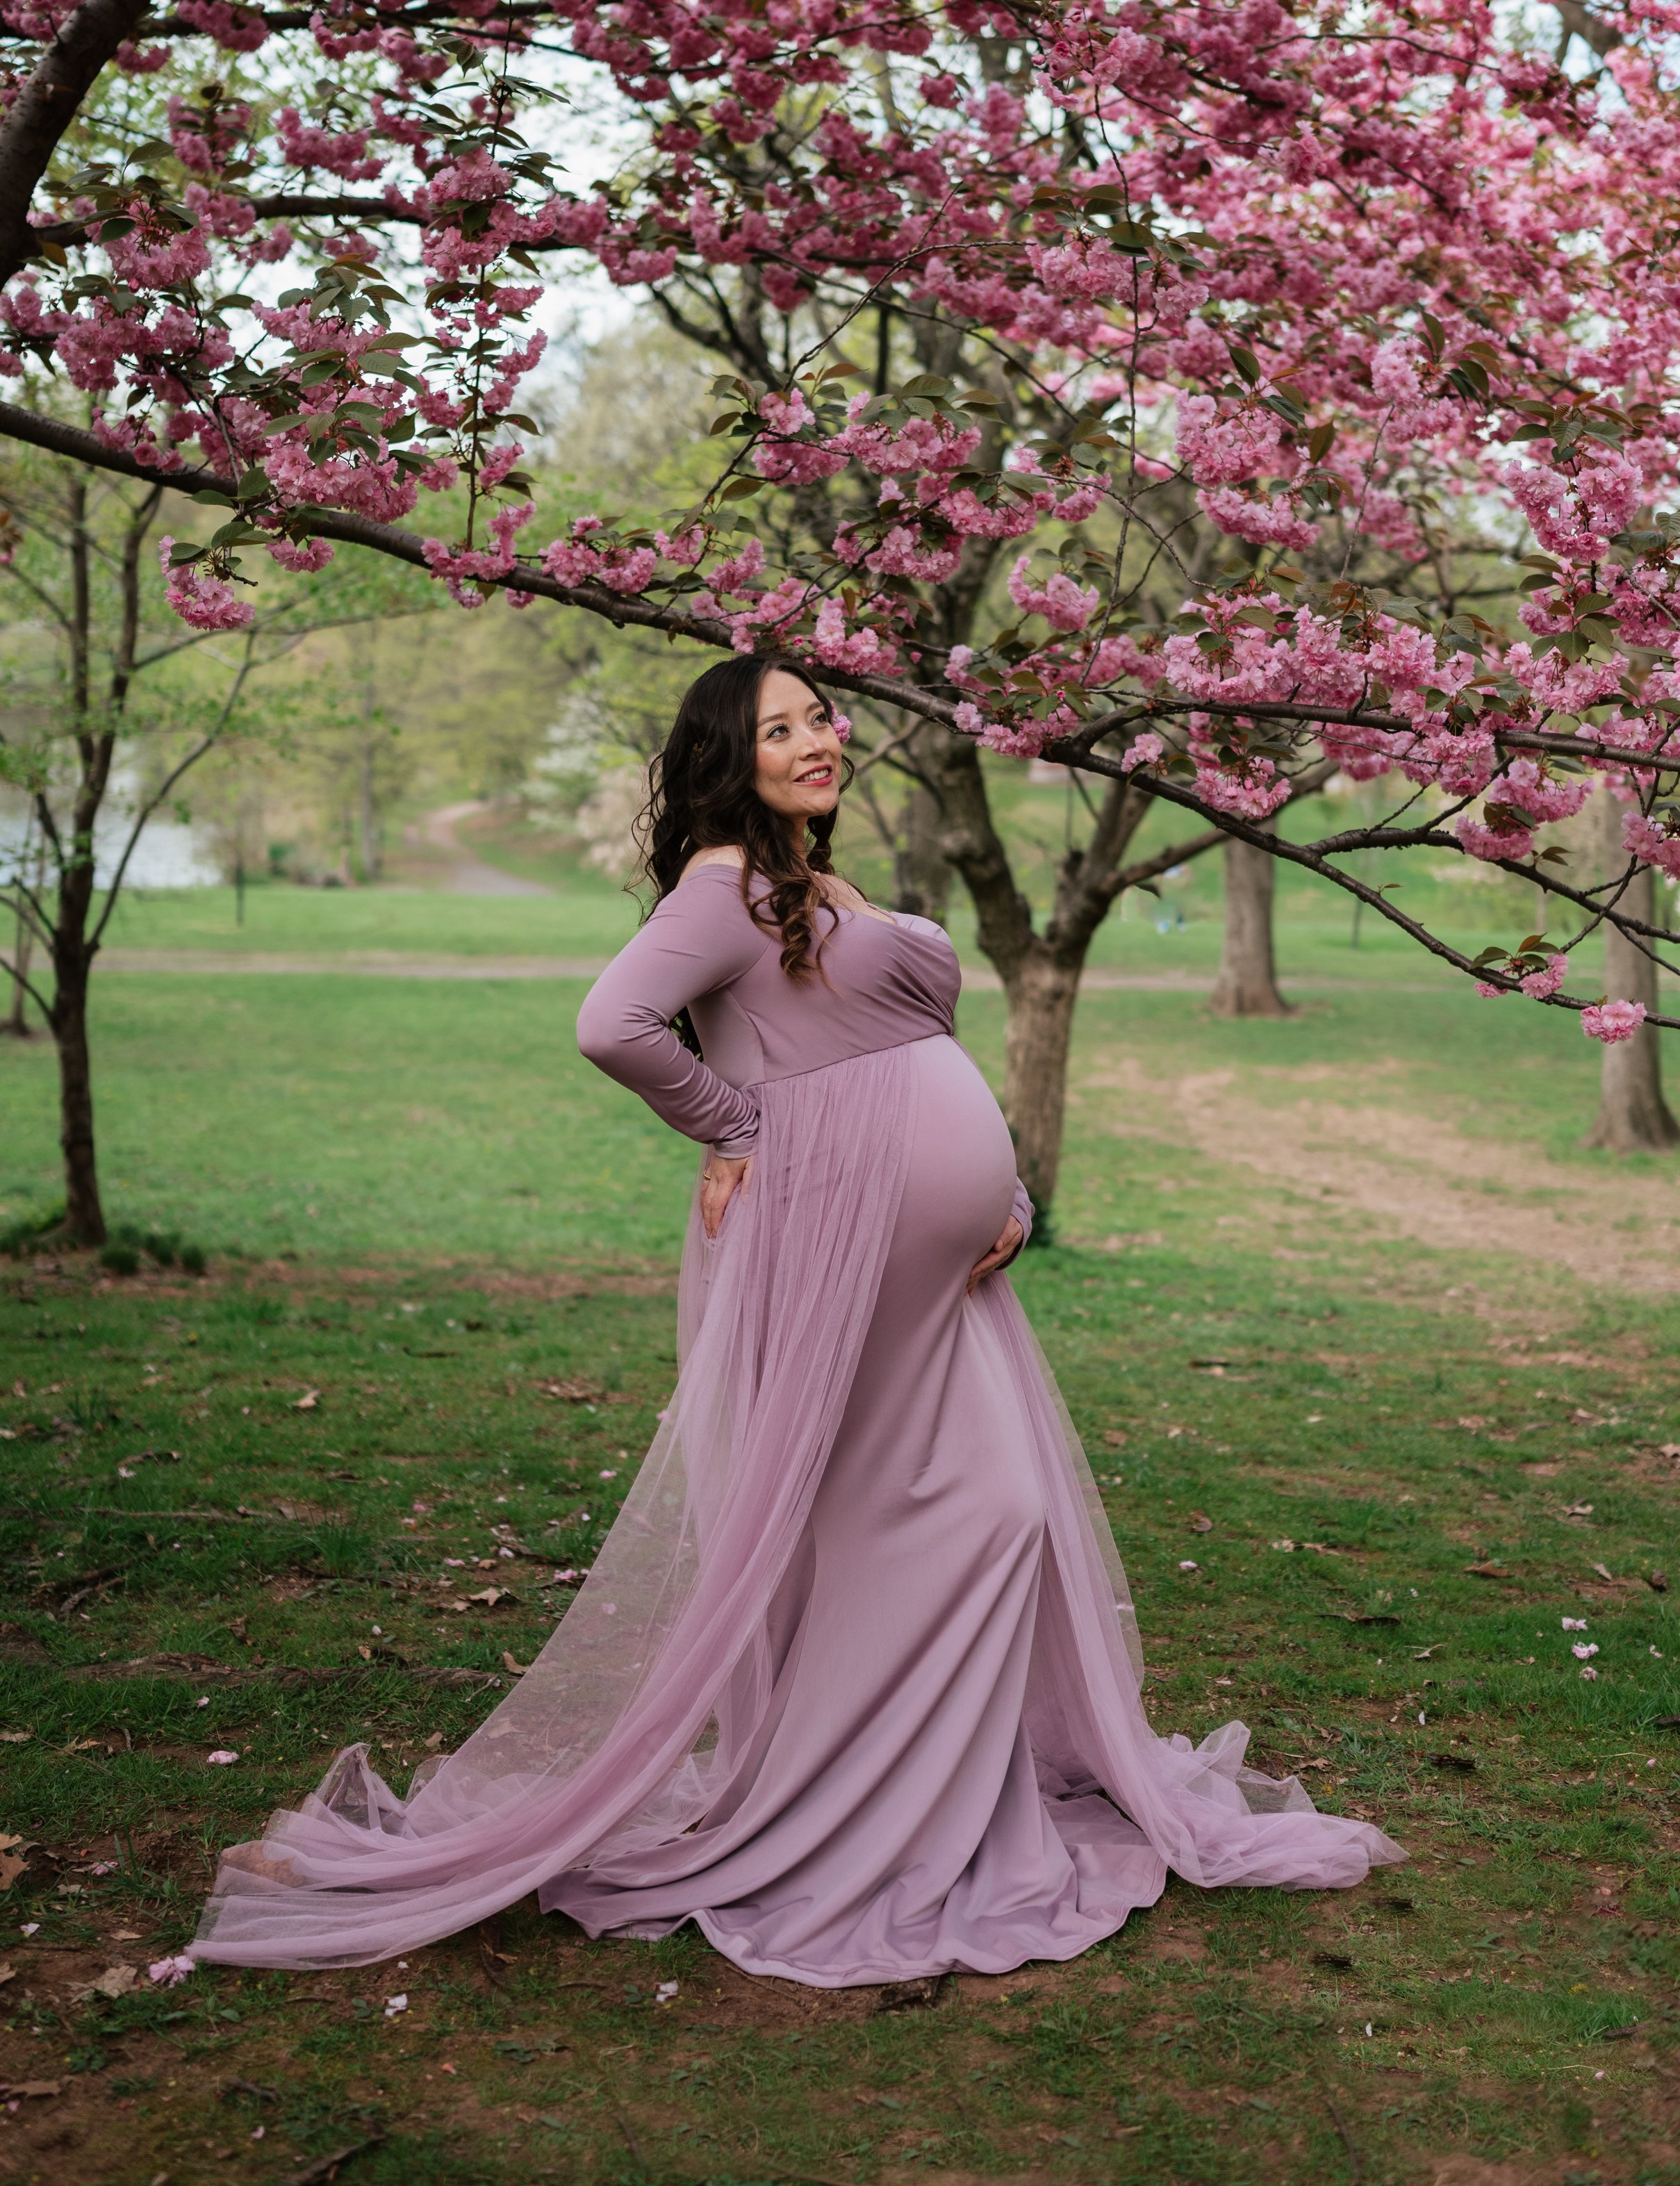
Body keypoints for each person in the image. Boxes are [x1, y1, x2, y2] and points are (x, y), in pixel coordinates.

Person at [191, 653, 1401, 1983]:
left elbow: (874, 1044)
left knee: (966, 1510)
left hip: (924, 1258)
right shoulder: (726, 889)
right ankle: (867, 1812)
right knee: (960, 1511)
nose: (818, 740)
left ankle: (923, 1796)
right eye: (780, 730)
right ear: (730, 758)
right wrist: (737, 1125)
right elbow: (613, 1022)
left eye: (821, 717)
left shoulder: (807, 881)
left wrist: (989, 1187)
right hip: (837, 1244)